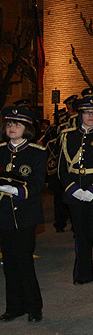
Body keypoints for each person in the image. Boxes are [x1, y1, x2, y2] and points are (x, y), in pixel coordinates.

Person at [58, 96, 93, 284]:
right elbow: (62, 168)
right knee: (80, 233)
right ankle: (83, 273)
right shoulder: (68, 135)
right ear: (80, 114)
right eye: (86, 113)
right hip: (75, 190)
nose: (90, 116)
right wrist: (72, 189)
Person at [0, 107, 46, 322]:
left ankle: (34, 308)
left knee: (24, 260)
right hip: (3, 215)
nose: (12, 128)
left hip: (26, 215)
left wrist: (16, 190)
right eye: (9, 124)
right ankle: (14, 307)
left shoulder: (37, 152)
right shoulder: (0, 150)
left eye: (17, 124)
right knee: (9, 262)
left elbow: (37, 183)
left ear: (26, 128)